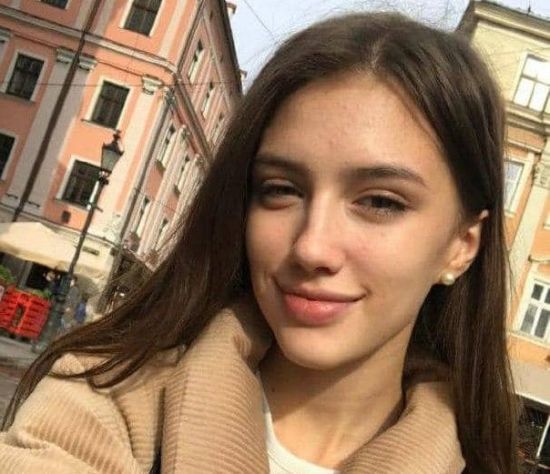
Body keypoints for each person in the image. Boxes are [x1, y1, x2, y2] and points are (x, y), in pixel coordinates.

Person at [0, 12, 519, 474]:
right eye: (281, 190)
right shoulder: (104, 403)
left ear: (461, 245)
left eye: (381, 201)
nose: (311, 247)